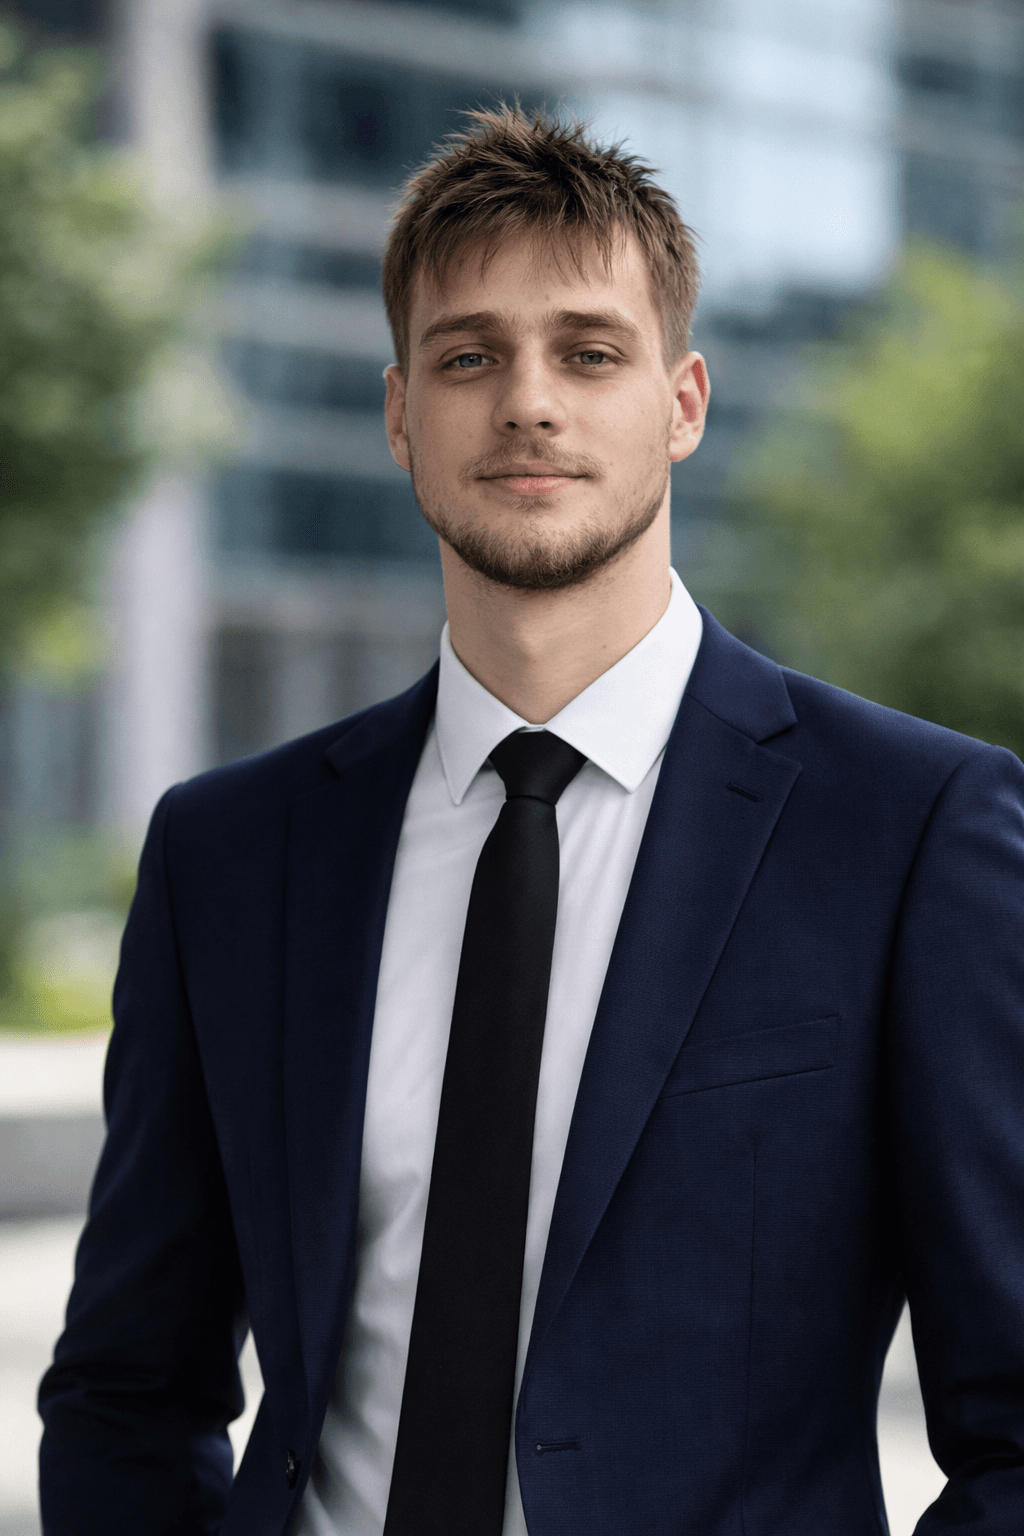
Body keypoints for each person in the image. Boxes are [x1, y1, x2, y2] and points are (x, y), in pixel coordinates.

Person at [38, 107, 1024, 1536]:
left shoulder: (912, 828)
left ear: (683, 401)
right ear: (400, 415)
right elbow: (131, 1386)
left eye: (590, 351)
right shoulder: (231, 856)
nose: (529, 402)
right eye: (468, 356)